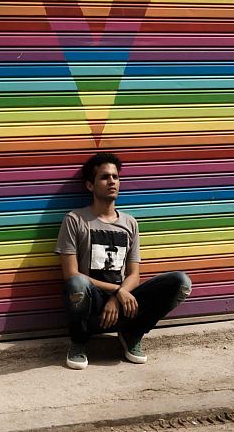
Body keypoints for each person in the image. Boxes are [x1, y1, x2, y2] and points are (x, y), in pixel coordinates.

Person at [55, 152, 191, 370]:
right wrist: (115, 292)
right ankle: (79, 342)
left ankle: (131, 334)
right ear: (90, 185)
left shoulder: (130, 223)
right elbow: (71, 274)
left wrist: (119, 296)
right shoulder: (75, 220)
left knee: (181, 282)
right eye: (104, 177)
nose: (112, 182)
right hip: (92, 303)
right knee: (76, 285)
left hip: (123, 303)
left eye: (115, 177)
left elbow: (133, 274)